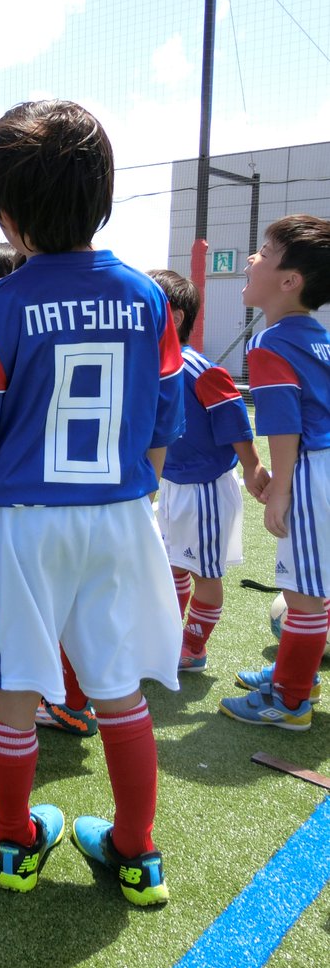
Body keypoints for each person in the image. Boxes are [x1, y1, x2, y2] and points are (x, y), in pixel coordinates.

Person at [0, 100, 185, 908]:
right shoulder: (147, 298)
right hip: (122, 514)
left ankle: (19, 843)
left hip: (21, 526)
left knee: (16, 686)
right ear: (106, 196)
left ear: (6, 215)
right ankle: (136, 854)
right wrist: (138, 498)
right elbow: (163, 414)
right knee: (118, 685)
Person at [0, 244, 98, 736]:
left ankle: (12, 819)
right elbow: (159, 423)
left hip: (23, 508)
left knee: (15, 673)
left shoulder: (1, 308)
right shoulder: (140, 295)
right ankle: (134, 820)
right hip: (110, 504)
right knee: (116, 678)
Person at [220, 214, 330, 731]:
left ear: (291, 281)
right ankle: (296, 675)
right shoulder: (317, 337)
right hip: (321, 465)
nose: (250, 258)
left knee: (304, 592)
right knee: (312, 585)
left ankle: (289, 702)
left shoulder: (271, 343)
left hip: (313, 470)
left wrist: (280, 489)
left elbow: (285, 424)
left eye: (263, 251)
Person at [148, 269, 269, 673]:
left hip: (206, 491)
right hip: (174, 486)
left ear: (175, 318)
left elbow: (236, 420)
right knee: (174, 564)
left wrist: (253, 467)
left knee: (205, 573)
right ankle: (167, 637)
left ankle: (193, 648)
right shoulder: (149, 367)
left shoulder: (198, 369)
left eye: (146, 307)